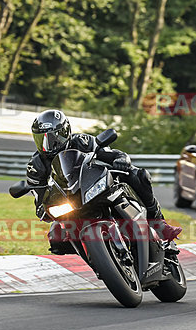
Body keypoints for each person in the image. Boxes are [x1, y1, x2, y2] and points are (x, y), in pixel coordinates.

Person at [26, 109, 182, 255]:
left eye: (53, 137)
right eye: (42, 139)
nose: (48, 145)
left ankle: (159, 223)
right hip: (69, 203)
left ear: (65, 132)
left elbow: (110, 154)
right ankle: (95, 256)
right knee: (56, 238)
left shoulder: (82, 141)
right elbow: (39, 198)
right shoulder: (36, 166)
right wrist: (42, 209)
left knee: (139, 175)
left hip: (93, 184)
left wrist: (121, 159)